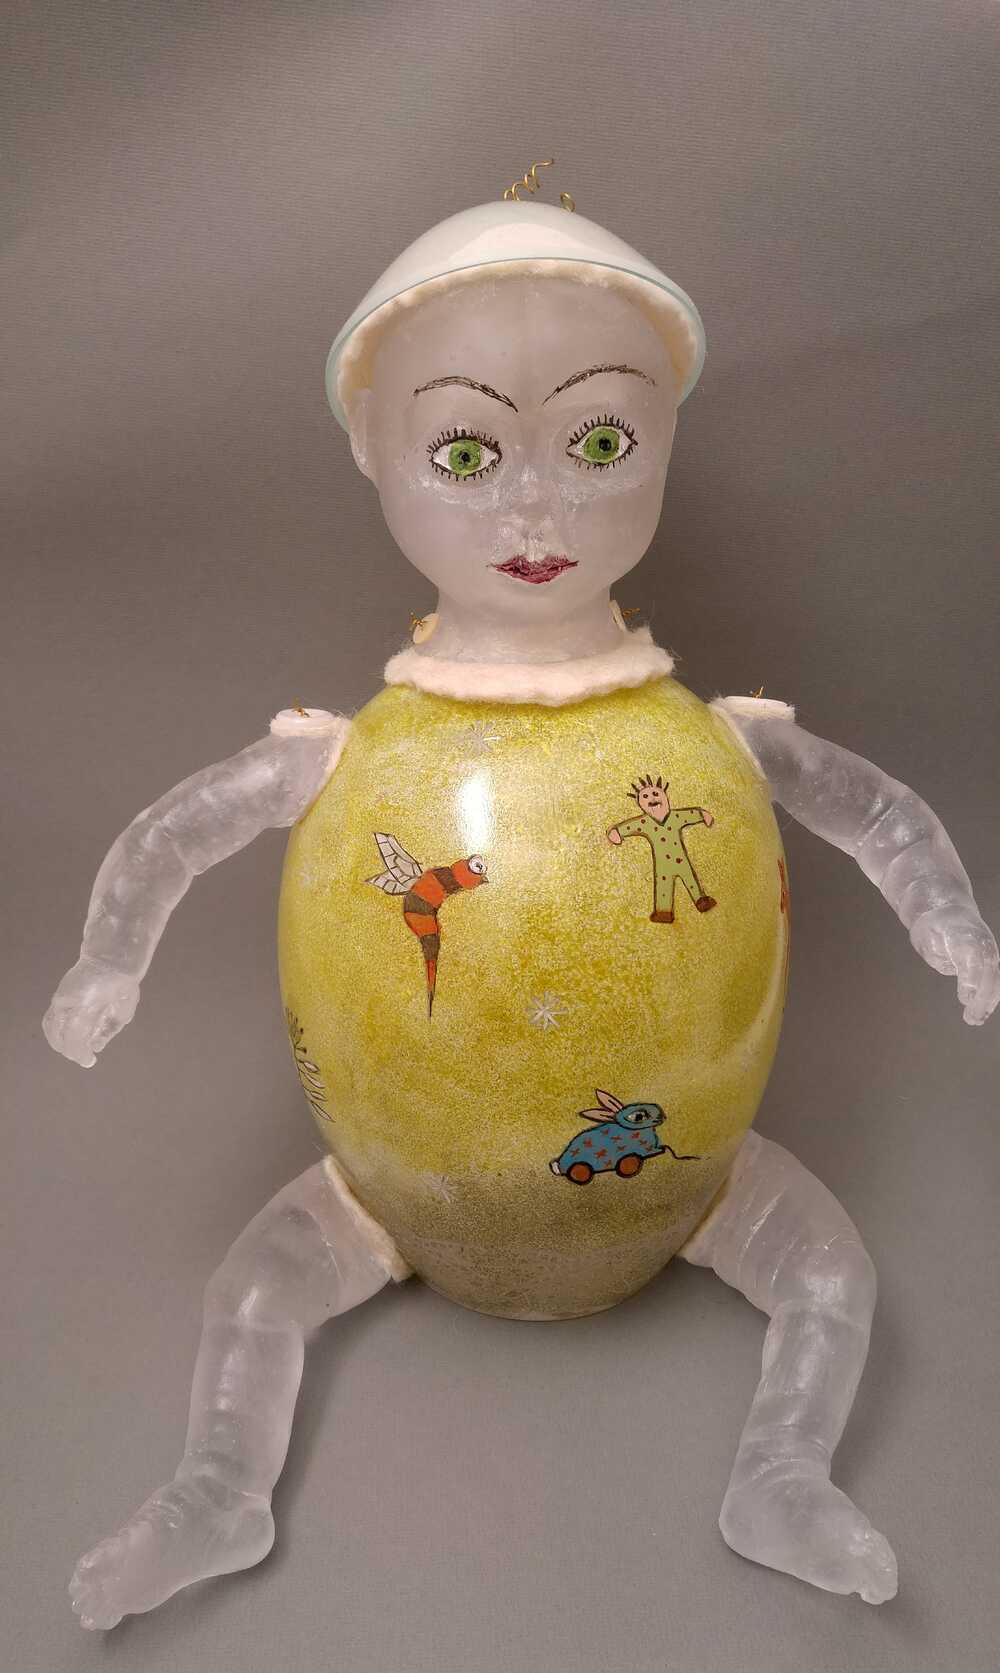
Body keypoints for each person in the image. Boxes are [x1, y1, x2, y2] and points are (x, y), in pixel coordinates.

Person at [44, 186, 998, 1630]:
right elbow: (180, 832)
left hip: (680, 1181)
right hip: (393, 1199)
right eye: (467, 453)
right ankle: (217, 1487)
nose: (535, 509)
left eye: (599, 441)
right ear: (373, 451)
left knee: (829, 1277)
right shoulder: (345, 755)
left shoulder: (718, 743)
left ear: (665, 442)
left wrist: (950, 918)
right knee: (258, 1289)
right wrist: (106, 961)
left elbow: (874, 812)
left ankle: (781, 1472)